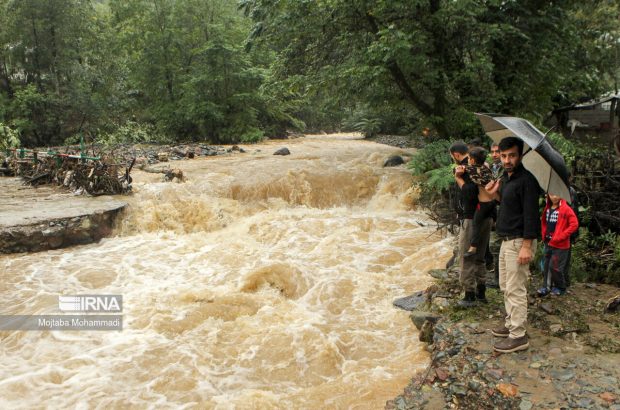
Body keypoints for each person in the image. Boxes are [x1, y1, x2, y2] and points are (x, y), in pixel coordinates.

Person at [485, 136, 540, 353]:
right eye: (504, 155)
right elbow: (508, 205)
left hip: (519, 241)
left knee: (515, 288)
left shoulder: (527, 181)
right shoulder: (507, 178)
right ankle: (510, 325)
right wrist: (495, 194)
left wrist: (527, 245)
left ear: (520, 155)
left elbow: (530, 216)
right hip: (507, 239)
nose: (507, 160)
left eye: (512, 155)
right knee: (505, 286)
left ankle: (518, 336)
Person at [451, 142, 489, 307]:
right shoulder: (485, 168)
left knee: (466, 256)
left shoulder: (468, 170)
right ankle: (481, 291)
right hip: (486, 216)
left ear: (457, 155)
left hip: (472, 218)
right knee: (480, 255)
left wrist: (458, 178)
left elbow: (470, 193)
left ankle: (469, 295)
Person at [538, 193, 578, 296]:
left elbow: (574, 224)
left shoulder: (565, 209)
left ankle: (561, 287)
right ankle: (546, 287)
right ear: (547, 195)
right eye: (552, 194)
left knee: (555, 267)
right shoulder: (547, 208)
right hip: (548, 242)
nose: (554, 197)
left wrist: (562, 235)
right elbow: (544, 223)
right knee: (546, 265)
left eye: (557, 194)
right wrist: (543, 235)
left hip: (560, 245)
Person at [463, 147, 496, 260]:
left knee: (476, 225)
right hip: (492, 203)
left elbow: (460, 170)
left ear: (472, 160)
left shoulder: (471, 169)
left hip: (483, 205)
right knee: (489, 223)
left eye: (468, 158)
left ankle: (473, 248)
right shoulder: (486, 169)